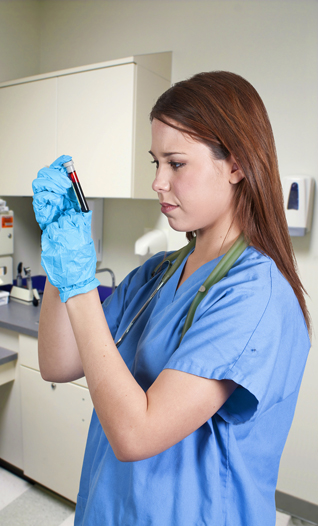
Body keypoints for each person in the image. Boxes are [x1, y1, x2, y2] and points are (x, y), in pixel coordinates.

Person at [32, 71, 311, 526]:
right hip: (110, 509)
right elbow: (57, 364)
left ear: (237, 165)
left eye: (176, 164)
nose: (158, 182)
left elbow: (135, 434)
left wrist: (80, 286)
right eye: (154, 162)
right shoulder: (158, 274)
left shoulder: (255, 296)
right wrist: (59, 259)